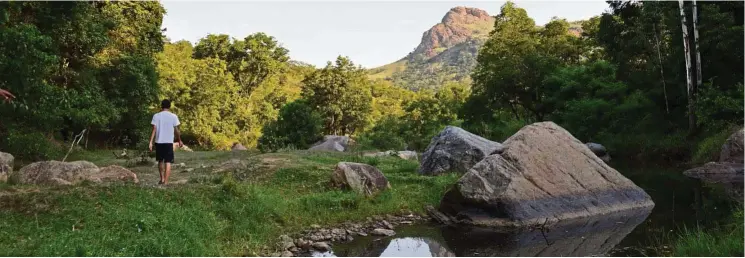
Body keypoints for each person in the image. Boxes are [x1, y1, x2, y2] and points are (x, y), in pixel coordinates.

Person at [149, 99, 183, 185]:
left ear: (161, 106)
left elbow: (154, 129)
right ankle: (166, 183)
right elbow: (176, 130)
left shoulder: (156, 116)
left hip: (158, 141)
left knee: (160, 161)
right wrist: (179, 140)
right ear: (169, 106)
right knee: (168, 162)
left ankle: (162, 179)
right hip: (168, 142)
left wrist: (150, 142)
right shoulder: (173, 116)